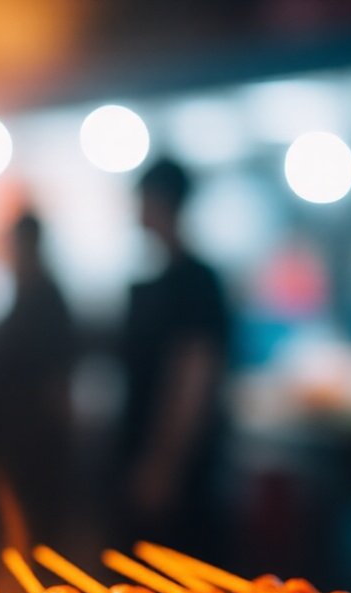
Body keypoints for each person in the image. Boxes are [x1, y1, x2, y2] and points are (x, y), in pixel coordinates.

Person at [115, 158, 232, 557]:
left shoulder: (196, 282)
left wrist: (163, 465)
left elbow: (194, 376)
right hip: (146, 455)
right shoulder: (155, 280)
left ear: (162, 202)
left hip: (181, 471)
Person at [0, 211, 80, 553]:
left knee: (38, 529)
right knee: (16, 526)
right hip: (14, 435)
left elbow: (59, 377)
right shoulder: (25, 294)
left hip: (34, 437)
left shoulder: (47, 298)